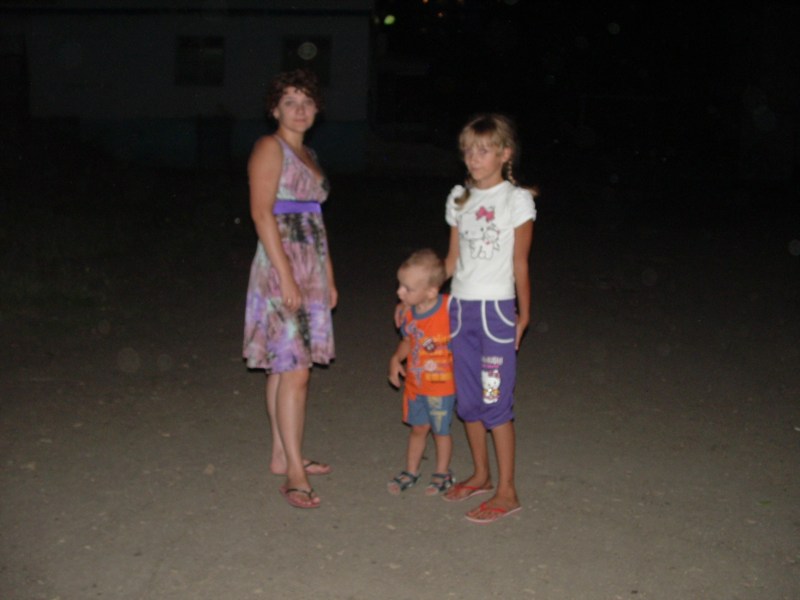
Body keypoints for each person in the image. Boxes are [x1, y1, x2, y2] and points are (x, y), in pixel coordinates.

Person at [243, 69, 336, 509]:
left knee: (284, 367)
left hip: (309, 265)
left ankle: (282, 454)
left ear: (317, 110)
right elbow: (262, 214)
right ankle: (295, 474)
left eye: (307, 102)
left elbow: (315, 219)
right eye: (290, 102)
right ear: (274, 110)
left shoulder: (309, 154)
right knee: (297, 370)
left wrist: (327, 275)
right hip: (282, 265)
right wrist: (285, 274)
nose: (300, 109)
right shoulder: (269, 147)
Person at [440, 113, 536, 523]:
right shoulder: (459, 199)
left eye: (483, 150)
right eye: (468, 150)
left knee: (495, 400)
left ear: (505, 153)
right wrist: (420, 296)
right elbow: (451, 261)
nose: (474, 158)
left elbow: (520, 263)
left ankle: (507, 491)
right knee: (468, 400)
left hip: (496, 314)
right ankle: (481, 474)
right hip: (460, 312)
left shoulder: (516, 200)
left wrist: (523, 316)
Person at [387, 249, 457, 496]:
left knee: (440, 431)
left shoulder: (449, 307)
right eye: (400, 285)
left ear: (431, 291)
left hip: (441, 387)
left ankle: (442, 472)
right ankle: (411, 470)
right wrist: (396, 359)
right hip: (416, 385)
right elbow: (408, 341)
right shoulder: (408, 313)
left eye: (407, 289)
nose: (400, 292)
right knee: (418, 429)